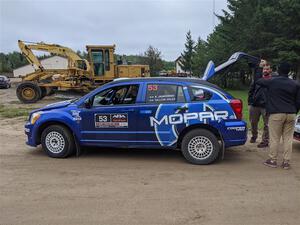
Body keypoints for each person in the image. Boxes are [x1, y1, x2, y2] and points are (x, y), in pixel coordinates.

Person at [256, 62, 300, 169]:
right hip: (291, 114)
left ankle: (273, 160)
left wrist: (259, 67)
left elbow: (258, 81)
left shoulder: (272, 81)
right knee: (288, 139)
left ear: (278, 70)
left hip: (276, 114)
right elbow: (298, 101)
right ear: (289, 71)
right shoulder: (295, 84)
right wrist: (295, 111)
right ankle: (286, 162)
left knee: (275, 138)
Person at [248, 59, 269, 147]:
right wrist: (250, 103)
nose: (265, 70)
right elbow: (251, 90)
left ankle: (265, 140)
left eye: (267, 69)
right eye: (264, 69)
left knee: (267, 125)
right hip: (255, 105)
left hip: (266, 106)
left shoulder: (272, 79)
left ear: (270, 70)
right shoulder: (257, 79)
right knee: (253, 122)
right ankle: (254, 136)